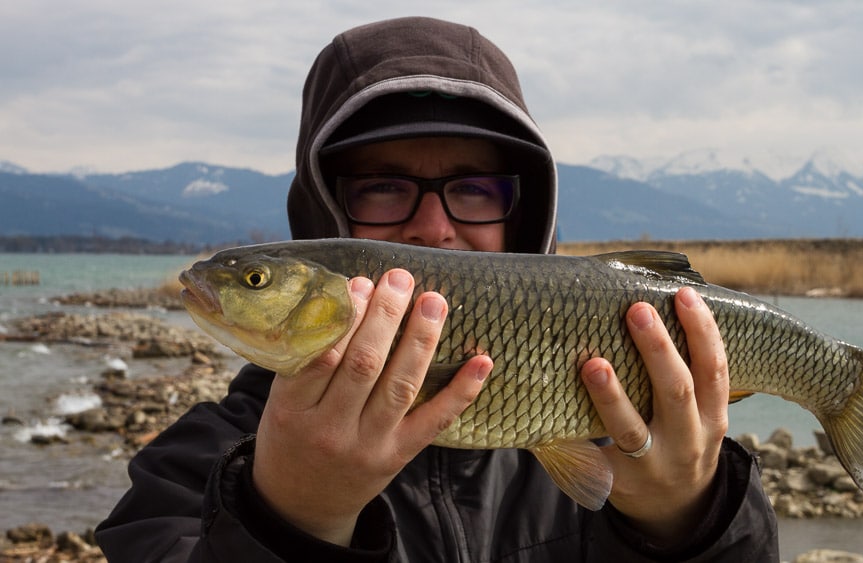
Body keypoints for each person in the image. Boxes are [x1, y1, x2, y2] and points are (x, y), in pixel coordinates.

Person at [96, 16, 778, 562]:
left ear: (522, 211)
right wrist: (289, 517)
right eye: (385, 186)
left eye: (473, 189)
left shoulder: (632, 454)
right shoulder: (188, 475)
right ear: (321, 217)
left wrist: (688, 518)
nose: (434, 229)